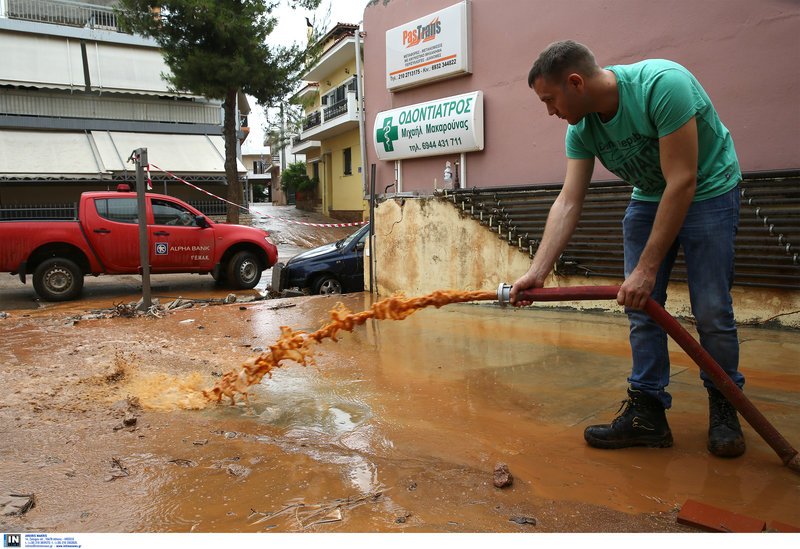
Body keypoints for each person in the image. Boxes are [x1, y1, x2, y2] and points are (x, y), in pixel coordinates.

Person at [511, 40, 745, 458]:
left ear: (576, 82)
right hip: (651, 194)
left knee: (711, 308)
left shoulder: (662, 86)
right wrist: (538, 270)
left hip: (708, 188)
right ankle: (647, 412)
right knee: (639, 308)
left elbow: (682, 181)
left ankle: (725, 402)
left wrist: (647, 269)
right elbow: (569, 200)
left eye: (550, 99)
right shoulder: (581, 128)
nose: (550, 111)